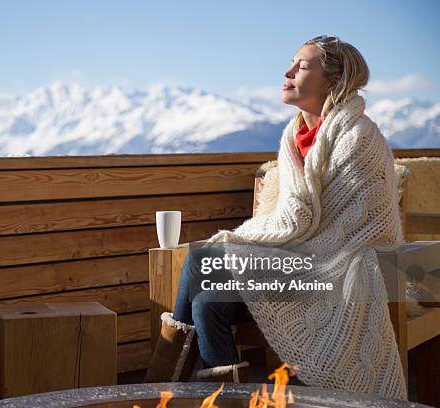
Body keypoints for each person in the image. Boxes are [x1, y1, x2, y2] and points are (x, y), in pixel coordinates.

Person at [144, 35, 407, 400]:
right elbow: (293, 219)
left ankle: (165, 387)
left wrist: (241, 242)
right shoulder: (292, 136)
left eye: (301, 66)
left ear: (334, 80)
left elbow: (321, 224)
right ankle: (221, 399)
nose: (287, 71)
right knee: (206, 300)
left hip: (332, 269)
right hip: (295, 261)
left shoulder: (360, 137)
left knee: (202, 258)